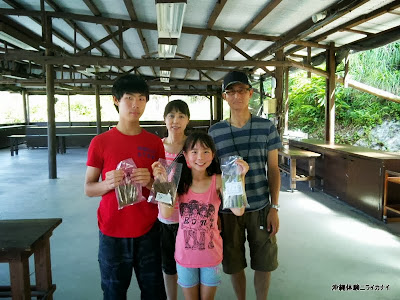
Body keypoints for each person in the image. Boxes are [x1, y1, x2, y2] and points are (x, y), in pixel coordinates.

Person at [84, 74, 166, 300]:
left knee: (154, 293)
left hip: (148, 230)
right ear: (116, 100)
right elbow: (89, 188)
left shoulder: (154, 142)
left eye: (141, 99)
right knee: (113, 293)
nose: (135, 104)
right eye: (129, 98)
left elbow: (166, 193)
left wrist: (149, 182)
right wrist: (107, 183)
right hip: (112, 232)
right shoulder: (100, 143)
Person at [208, 70, 282, 300]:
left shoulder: (266, 127)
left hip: (260, 207)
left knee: (264, 262)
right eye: (231, 92)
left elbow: (274, 169)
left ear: (250, 93)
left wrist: (275, 207)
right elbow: (211, 174)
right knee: (233, 261)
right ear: (224, 97)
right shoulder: (215, 132)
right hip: (229, 210)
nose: (237, 96)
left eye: (241, 91)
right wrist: (214, 212)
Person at [153, 131, 249, 300]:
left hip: (211, 256)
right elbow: (166, 212)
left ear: (213, 155)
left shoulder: (219, 180)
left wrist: (238, 177)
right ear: (185, 155)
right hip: (185, 256)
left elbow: (238, 210)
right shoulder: (179, 181)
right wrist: (161, 181)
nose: (200, 156)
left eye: (206, 151)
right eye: (194, 151)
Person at [159, 99, 190, 300]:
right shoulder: (157, 147)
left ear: (188, 120)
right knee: (168, 266)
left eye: (180, 116)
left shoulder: (193, 147)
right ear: (164, 119)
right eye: (171, 115)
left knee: (188, 265)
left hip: (189, 219)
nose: (175, 121)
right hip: (164, 218)